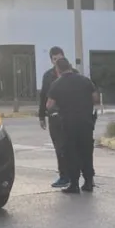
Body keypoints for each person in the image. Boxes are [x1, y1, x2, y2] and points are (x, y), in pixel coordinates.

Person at [46, 58, 99, 194]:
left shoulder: (57, 84)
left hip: (68, 124)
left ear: (58, 69)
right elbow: (95, 98)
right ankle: (88, 182)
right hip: (86, 123)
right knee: (86, 152)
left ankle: (74, 184)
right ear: (70, 66)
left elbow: (49, 105)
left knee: (71, 153)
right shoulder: (85, 81)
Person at [38, 46, 69, 188]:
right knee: (59, 147)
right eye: (55, 59)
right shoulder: (48, 76)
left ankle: (76, 175)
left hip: (70, 116)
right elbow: (44, 96)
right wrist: (41, 115)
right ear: (51, 61)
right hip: (54, 117)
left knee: (71, 146)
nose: (57, 62)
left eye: (60, 58)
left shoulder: (73, 74)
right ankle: (63, 175)